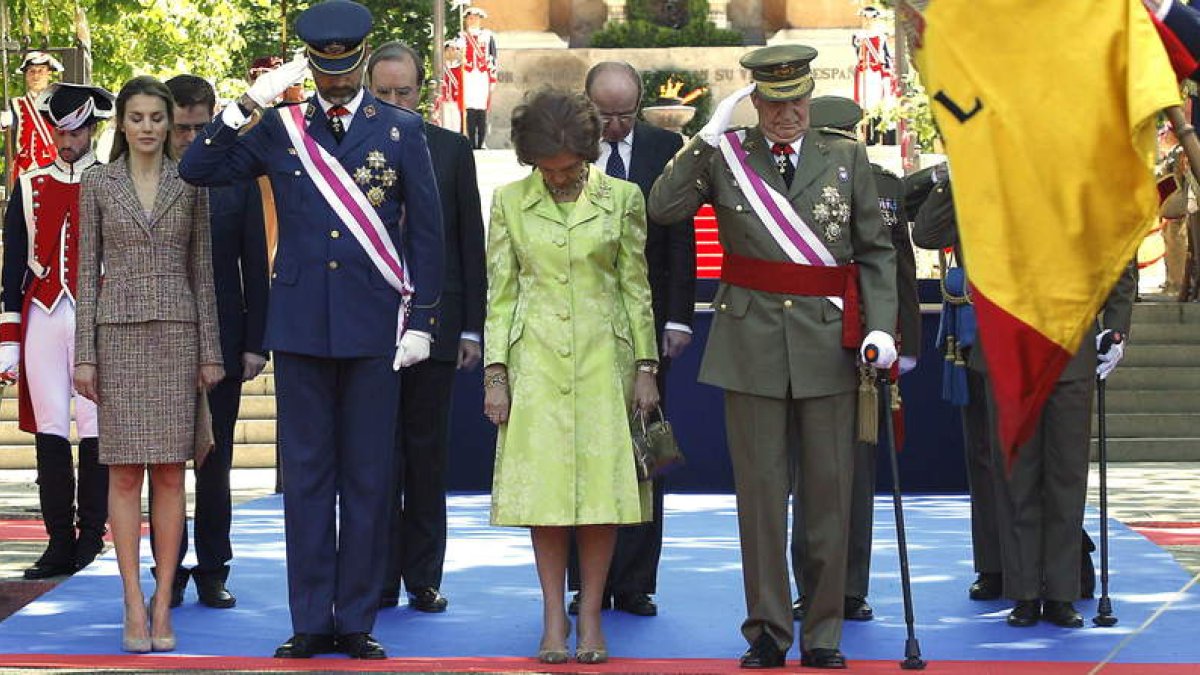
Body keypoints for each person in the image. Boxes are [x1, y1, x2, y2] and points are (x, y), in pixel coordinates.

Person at [178, 0, 443, 659]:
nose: (336, 84)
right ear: (311, 68)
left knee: (367, 478)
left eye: (345, 71)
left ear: (359, 60)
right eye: (325, 72)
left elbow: (430, 237)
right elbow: (197, 169)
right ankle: (310, 618)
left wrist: (425, 322)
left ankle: (355, 618)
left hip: (373, 326)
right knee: (305, 478)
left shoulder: (401, 131)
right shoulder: (281, 128)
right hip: (298, 327)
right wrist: (245, 104)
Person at [648, 45, 898, 670]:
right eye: (775, 103)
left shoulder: (844, 157)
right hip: (752, 342)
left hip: (828, 345)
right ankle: (766, 630)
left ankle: (822, 634)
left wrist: (885, 327)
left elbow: (874, 250)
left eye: (798, 102)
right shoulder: (728, 159)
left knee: (827, 497)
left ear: (810, 98)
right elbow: (663, 208)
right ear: (755, 103)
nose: (788, 114)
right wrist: (705, 136)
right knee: (760, 498)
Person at [483, 87, 659, 665]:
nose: (558, 178)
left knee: (604, 498)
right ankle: (553, 617)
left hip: (603, 363)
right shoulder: (509, 202)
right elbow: (500, 295)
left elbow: (636, 289)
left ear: (588, 153)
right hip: (535, 364)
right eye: (546, 169)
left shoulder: (624, 199)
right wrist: (496, 375)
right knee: (548, 499)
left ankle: (591, 618)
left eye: (569, 168)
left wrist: (645, 367)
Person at [74, 75, 224, 653]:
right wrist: (84, 355)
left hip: (177, 336)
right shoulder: (97, 183)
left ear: (168, 123)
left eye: (156, 118)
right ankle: (131, 603)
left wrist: (210, 349)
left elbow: (202, 271)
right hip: (116, 338)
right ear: (122, 124)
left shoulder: (192, 183)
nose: (146, 128)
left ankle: (164, 603)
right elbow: (87, 273)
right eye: (135, 117)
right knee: (121, 473)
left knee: (169, 472)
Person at [565, 60, 696, 619]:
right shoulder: (565, 142)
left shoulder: (665, 146)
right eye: (604, 116)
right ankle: (584, 582)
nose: (613, 128)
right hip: (580, 329)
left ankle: (637, 581)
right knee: (582, 453)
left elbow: (679, 239)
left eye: (624, 116)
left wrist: (677, 320)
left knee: (645, 449)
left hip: (646, 328)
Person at [790, 94, 920, 623]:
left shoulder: (885, 188)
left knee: (858, 473)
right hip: (811, 337)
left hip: (869, 345)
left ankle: (852, 586)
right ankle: (812, 585)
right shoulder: (792, 184)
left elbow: (899, 269)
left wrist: (901, 341)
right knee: (810, 474)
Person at [367, 41, 487, 614]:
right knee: (374, 458)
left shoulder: (451, 149)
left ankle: (422, 578)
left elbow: (470, 241)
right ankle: (377, 576)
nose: (395, 102)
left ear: (424, 91)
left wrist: (470, 329)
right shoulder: (347, 151)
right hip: (367, 329)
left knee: (425, 456)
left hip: (435, 326)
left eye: (404, 92)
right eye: (383, 93)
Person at [144, 74, 269, 610]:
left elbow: (254, 268)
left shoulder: (235, 180)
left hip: (225, 340)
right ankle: (166, 573)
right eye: (183, 128)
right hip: (158, 343)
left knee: (214, 465)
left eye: (202, 127)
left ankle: (214, 569)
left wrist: (256, 342)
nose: (191, 138)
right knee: (162, 464)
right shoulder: (144, 181)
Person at [0, 83, 113, 580]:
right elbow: (10, 272)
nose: (68, 141)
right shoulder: (28, 185)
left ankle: (92, 538)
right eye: (61, 132)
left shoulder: (112, 181)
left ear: (93, 129)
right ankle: (57, 542)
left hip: (97, 316)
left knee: (94, 430)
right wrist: (8, 339)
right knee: (49, 430)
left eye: (79, 130)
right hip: (42, 315)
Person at [911, 171, 1006, 601]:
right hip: (977, 333)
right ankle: (994, 565)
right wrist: (948, 174)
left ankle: (1051, 562)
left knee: (1036, 455)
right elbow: (928, 232)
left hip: (1033, 333)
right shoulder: (972, 183)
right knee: (983, 454)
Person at [2, 52, 64, 185]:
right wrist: (4, 121)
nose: (36, 76)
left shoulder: (58, 103)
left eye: (40, 71)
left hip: (53, 167)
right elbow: (8, 128)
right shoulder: (16, 104)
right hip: (24, 169)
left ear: (48, 74)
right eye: (31, 72)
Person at [458, 6, 497, 149]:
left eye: (475, 17)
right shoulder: (461, 37)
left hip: (482, 75)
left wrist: (493, 78)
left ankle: (481, 142)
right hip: (467, 75)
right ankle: (470, 141)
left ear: (480, 19)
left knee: (482, 107)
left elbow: (493, 57)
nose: (472, 20)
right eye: (469, 18)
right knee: (469, 107)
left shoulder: (487, 36)